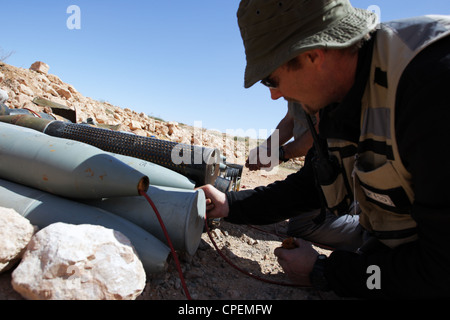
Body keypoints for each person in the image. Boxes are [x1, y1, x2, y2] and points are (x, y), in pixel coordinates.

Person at [200, 0, 450, 299]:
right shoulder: (342, 94)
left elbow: (439, 274)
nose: (274, 95)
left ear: (312, 55)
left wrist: (324, 271)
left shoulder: (433, 88)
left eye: (271, 79)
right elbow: (312, 184)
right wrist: (230, 205)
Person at [245, 102, 316, 171]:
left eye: (274, 88)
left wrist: (280, 154)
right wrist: (265, 147)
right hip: (313, 161)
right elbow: (291, 119)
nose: (273, 97)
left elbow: (322, 132)